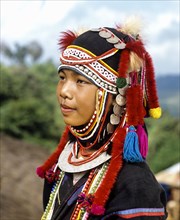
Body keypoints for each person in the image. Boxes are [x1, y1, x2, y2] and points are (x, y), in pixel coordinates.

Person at [36, 18, 167, 220]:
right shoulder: (60, 166)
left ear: (116, 96)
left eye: (80, 81)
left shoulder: (135, 188)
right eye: (62, 78)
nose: (64, 91)